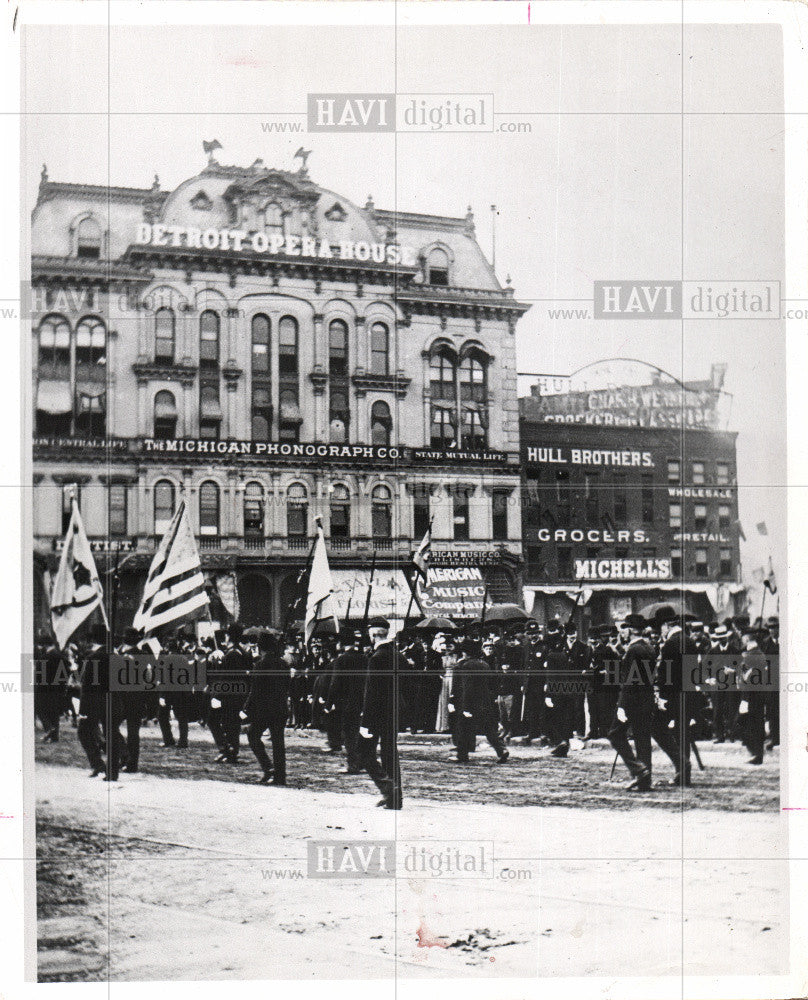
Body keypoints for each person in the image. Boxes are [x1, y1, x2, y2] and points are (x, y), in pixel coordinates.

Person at [607, 614, 680, 792]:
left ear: (631, 630)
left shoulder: (633, 651)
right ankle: (644, 779)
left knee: (615, 734)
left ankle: (638, 769)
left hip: (632, 701)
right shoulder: (648, 648)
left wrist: (622, 706)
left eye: (625, 628)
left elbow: (629, 681)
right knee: (642, 739)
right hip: (645, 701)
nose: (622, 632)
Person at [358, 617, 402, 809]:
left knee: (363, 752)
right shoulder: (398, 656)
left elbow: (372, 693)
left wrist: (366, 722)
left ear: (373, 635)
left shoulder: (376, 659)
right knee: (390, 753)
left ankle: (387, 788)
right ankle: (395, 797)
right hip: (395, 711)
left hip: (376, 714)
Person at [450, 635, 509, 764]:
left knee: (464, 729)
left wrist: (465, 707)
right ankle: (501, 750)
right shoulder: (485, 665)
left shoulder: (465, 666)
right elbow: (493, 684)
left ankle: (462, 754)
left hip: (470, 703)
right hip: (485, 702)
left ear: (466, 652)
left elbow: (467, 688)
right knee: (489, 729)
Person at [243, 630, 290, 785]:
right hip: (281, 708)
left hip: (264, 710)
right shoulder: (283, 664)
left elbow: (255, 691)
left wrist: (246, 709)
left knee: (253, 735)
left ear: (260, 647)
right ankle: (280, 776)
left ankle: (268, 767)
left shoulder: (260, 665)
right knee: (278, 743)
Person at [327, 628, 368, 774]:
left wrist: (329, 703)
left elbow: (335, 683)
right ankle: (362, 761)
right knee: (360, 732)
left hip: (345, 703)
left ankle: (353, 764)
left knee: (349, 734)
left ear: (342, 644)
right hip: (362, 701)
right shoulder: (364, 658)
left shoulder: (341, 660)